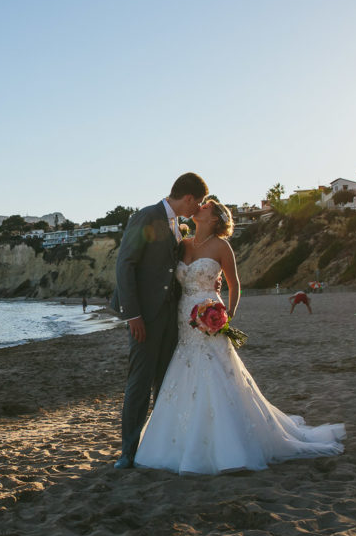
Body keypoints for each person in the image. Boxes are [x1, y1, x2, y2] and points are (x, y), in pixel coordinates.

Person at [133, 197, 344, 474]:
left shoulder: (222, 247)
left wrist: (226, 314)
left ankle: (229, 445)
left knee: (217, 370)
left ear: (215, 218)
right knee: (184, 367)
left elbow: (234, 284)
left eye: (205, 207)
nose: (200, 208)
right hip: (183, 317)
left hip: (210, 312)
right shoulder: (182, 244)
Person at [110, 172, 208, 469]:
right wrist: (133, 315)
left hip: (171, 315)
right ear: (188, 197)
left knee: (165, 382)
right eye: (198, 202)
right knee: (139, 384)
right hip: (145, 316)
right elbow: (125, 264)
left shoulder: (177, 225)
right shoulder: (146, 216)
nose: (198, 209)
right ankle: (128, 452)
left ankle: (158, 447)